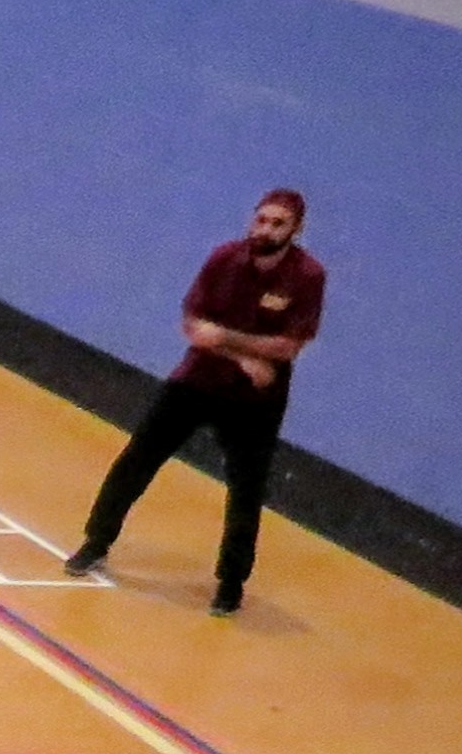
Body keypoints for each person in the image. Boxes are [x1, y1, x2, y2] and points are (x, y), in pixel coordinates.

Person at [66, 188, 327, 614]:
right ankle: (96, 541)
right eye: (261, 219)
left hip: (256, 400)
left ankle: (230, 584)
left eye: (277, 223)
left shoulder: (308, 276)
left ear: (296, 229)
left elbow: (287, 346)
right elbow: (194, 326)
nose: (265, 229)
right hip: (197, 381)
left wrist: (223, 338)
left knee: (246, 490)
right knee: (138, 459)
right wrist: (241, 353)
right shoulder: (224, 259)